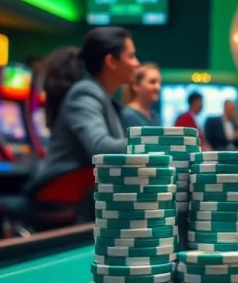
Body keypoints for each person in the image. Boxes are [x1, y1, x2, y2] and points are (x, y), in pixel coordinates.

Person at [37, 26, 139, 182]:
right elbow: (100, 147)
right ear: (111, 61)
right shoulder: (85, 92)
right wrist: (152, 143)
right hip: (59, 191)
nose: (137, 64)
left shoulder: (104, 97)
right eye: (131, 56)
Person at [120, 63, 162, 129]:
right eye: (152, 82)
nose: (158, 87)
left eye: (159, 82)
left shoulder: (155, 116)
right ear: (136, 85)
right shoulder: (127, 115)